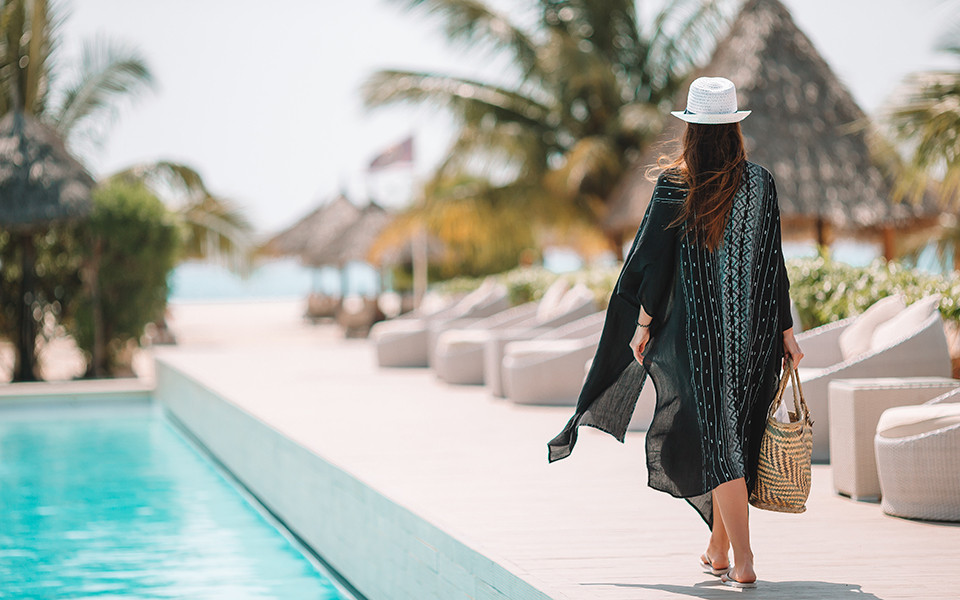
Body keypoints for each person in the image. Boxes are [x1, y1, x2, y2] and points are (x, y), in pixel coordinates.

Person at [547, 76, 804, 589]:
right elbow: (773, 265)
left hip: (703, 340)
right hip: (755, 338)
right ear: (734, 128)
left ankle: (746, 560)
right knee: (734, 435)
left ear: (691, 131)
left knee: (721, 438)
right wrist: (785, 333)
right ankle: (718, 547)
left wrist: (642, 325)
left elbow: (652, 265)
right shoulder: (761, 183)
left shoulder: (676, 183)